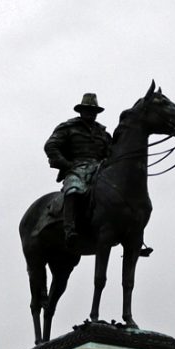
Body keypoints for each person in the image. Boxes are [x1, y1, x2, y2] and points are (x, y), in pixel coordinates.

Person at [44, 93, 112, 250]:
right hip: (76, 168)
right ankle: (69, 229)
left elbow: (111, 152)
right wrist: (66, 164)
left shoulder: (103, 133)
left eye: (93, 111)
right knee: (73, 188)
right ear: (81, 111)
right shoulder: (68, 128)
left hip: (100, 168)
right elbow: (51, 146)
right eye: (87, 110)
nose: (91, 113)